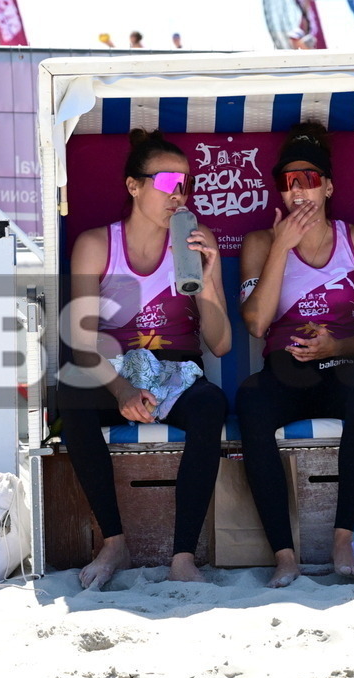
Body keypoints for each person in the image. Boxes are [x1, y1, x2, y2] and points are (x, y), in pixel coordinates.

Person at [59, 129, 231, 588]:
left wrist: (210, 281)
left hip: (176, 368)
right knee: (72, 396)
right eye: (167, 182)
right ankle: (113, 541)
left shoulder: (196, 240)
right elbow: (81, 341)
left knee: (211, 404)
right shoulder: (96, 244)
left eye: (186, 184)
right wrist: (120, 389)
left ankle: (183, 555)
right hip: (112, 366)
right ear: (134, 186)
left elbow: (221, 344)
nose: (179, 195)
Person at [236, 122, 354, 588]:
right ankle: (285, 554)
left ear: (327, 186)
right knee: (250, 401)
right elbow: (257, 325)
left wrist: (337, 346)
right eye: (288, 182)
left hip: (340, 368)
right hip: (284, 372)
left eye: (308, 180)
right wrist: (281, 248)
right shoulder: (260, 243)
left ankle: (342, 539)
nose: (298, 191)